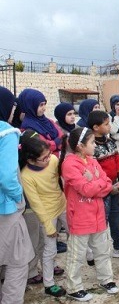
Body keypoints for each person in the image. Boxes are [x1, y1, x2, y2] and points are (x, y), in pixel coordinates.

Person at [60, 127, 119, 301]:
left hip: (98, 214)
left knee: (102, 250)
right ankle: (74, 287)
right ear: (80, 146)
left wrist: (94, 180)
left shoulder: (91, 160)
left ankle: (105, 280)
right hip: (80, 216)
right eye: (92, 142)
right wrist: (97, 183)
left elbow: (107, 182)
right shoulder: (69, 164)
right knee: (76, 255)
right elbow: (85, 190)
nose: (95, 146)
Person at [19, 130, 67, 298]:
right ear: (30, 159)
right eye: (43, 158)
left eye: (48, 155)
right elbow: (36, 204)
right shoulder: (26, 176)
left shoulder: (53, 160)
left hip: (63, 205)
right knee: (49, 249)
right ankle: (49, 284)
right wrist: (47, 225)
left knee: (78, 233)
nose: (48, 159)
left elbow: (61, 181)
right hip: (46, 213)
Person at [0, 86, 34, 304]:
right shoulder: (6, 131)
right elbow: (7, 176)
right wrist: (18, 197)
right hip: (6, 208)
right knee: (18, 261)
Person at [87, 111, 119, 259]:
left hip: (115, 185)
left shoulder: (110, 141)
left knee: (115, 216)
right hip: (101, 188)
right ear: (95, 127)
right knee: (101, 219)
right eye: (106, 124)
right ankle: (97, 250)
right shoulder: (91, 147)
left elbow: (118, 160)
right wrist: (107, 187)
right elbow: (94, 171)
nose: (109, 126)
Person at [19, 88, 63, 156]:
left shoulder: (48, 121)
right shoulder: (27, 128)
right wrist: (56, 143)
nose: (44, 108)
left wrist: (55, 143)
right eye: (41, 105)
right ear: (30, 106)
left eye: (44, 104)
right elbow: (42, 146)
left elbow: (62, 136)